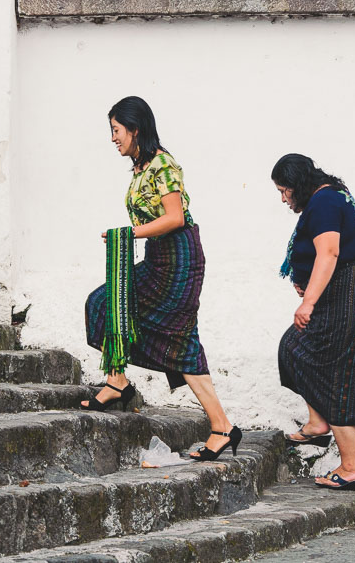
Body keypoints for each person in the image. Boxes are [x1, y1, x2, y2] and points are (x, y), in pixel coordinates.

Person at [82, 96, 241, 462]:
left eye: (116, 130)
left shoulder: (162, 164)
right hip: (158, 258)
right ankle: (117, 380)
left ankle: (222, 427)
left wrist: (130, 233)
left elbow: (175, 217)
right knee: (104, 303)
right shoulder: (140, 168)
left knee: (180, 340)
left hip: (179, 261)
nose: (113, 138)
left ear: (135, 130)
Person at [271, 153, 355, 490]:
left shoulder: (323, 201)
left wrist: (308, 302)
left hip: (354, 293)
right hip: (347, 291)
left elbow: (330, 253)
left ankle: (352, 468)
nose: (283, 199)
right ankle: (317, 423)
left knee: (340, 372)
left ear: (299, 186)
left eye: (284, 191)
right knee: (294, 347)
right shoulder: (329, 196)